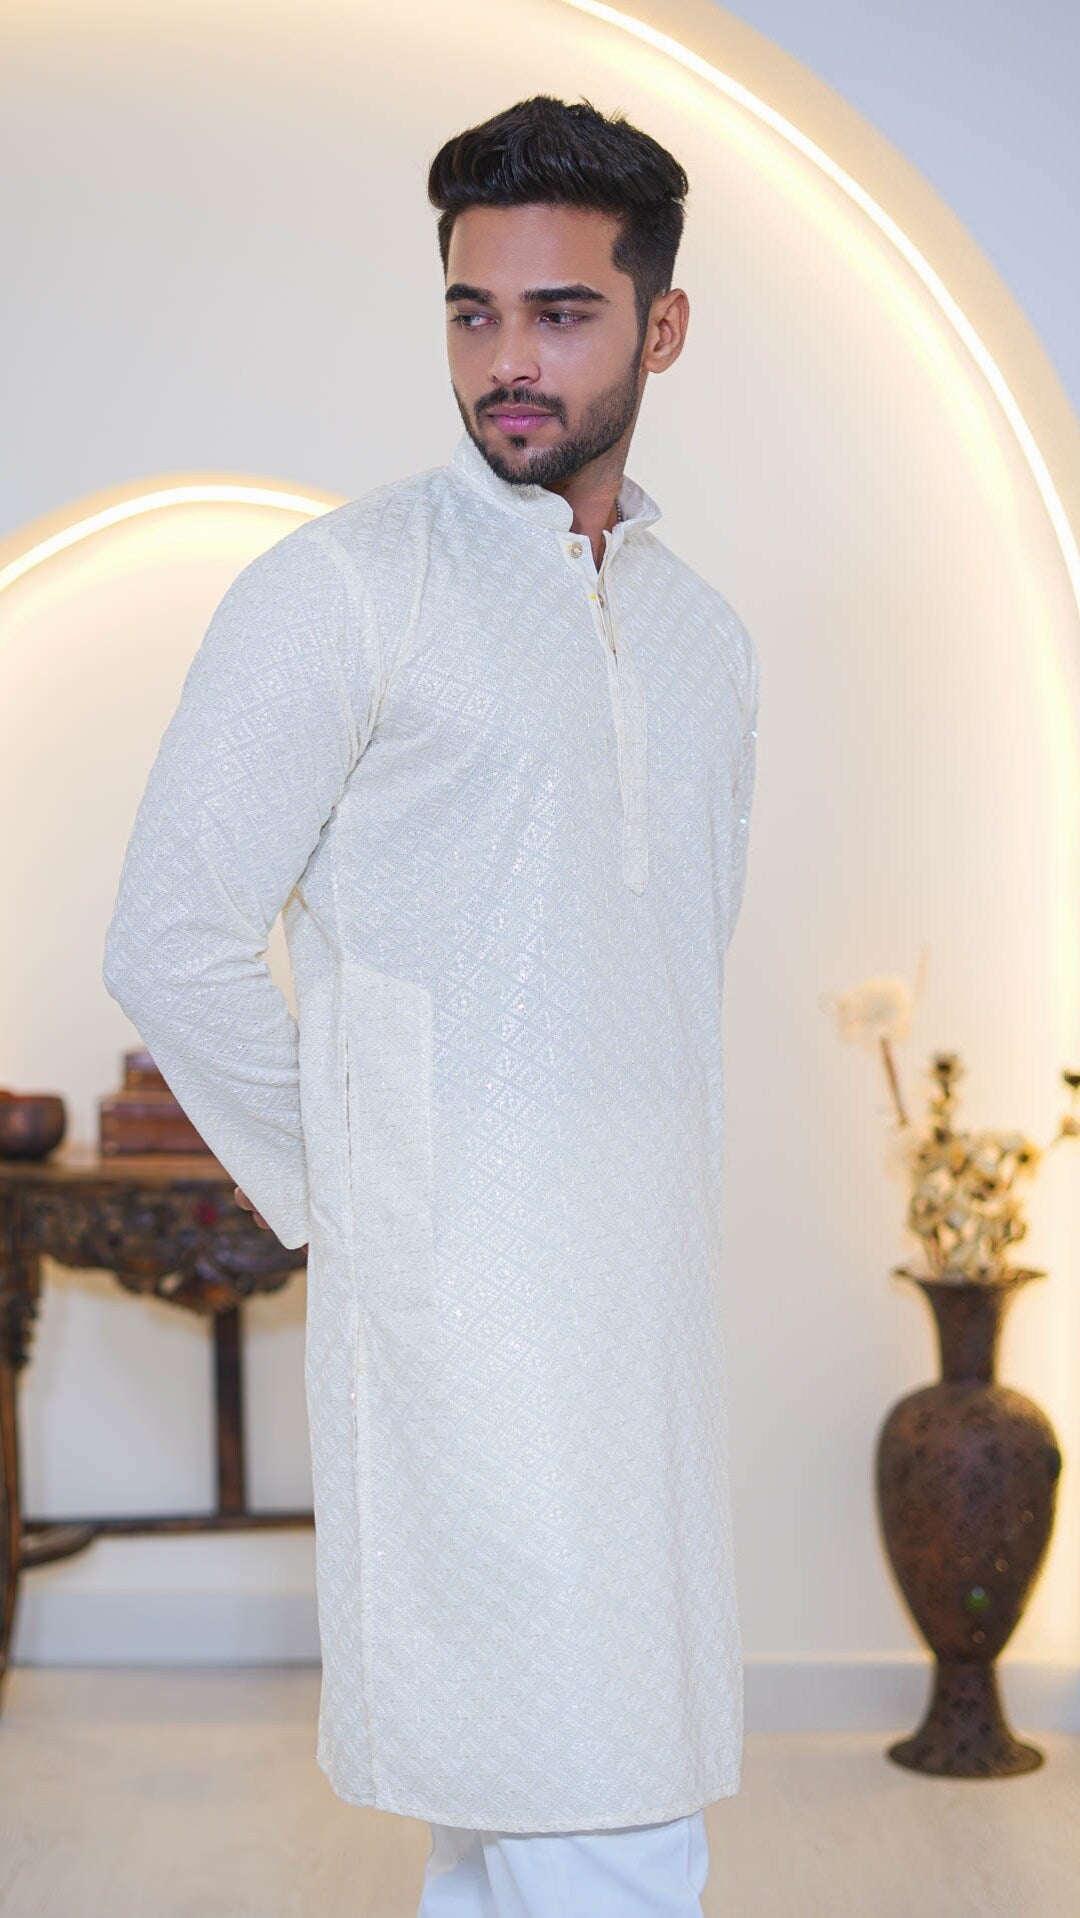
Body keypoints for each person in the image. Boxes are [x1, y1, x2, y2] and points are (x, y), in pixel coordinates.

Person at [103, 93, 761, 1918]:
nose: (507, 361)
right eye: (474, 311)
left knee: (515, 1820)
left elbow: (673, 980)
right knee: (601, 1804)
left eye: (561, 312)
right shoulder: (344, 591)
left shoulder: (707, 643)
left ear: (663, 327)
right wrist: (374, 1194)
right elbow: (171, 935)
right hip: (457, 1312)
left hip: (646, 1304)